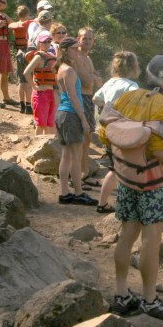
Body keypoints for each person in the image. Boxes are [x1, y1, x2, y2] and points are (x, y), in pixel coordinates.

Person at [100, 55, 163, 319]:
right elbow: (161, 151)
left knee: (126, 233)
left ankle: (121, 294)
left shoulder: (124, 98)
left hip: (125, 178)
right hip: (152, 183)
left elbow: (105, 133)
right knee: (151, 240)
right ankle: (149, 300)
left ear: (146, 73)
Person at [92, 51, 141, 214]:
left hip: (107, 130)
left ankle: (103, 203)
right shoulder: (132, 86)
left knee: (113, 168)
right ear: (134, 67)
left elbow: (95, 98)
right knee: (123, 168)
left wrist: (106, 105)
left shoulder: (110, 82)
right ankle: (124, 206)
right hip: (123, 130)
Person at [54, 37, 98, 207]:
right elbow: (73, 97)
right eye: (74, 48)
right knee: (76, 156)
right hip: (71, 115)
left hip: (62, 114)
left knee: (66, 156)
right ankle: (78, 193)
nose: (77, 51)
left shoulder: (61, 69)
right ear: (65, 50)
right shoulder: (69, 71)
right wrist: (84, 120)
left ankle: (64, 193)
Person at [75, 27, 103, 187]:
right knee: (80, 138)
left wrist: (93, 78)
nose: (87, 41)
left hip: (88, 98)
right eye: (84, 38)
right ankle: (77, 175)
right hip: (80, 98)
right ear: (78, 39)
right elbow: (87, 82)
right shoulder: (77, 57)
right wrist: (93, 78)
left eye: (90, 39)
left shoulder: (88, 58)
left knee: (87, 138)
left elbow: (97, 81)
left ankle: (84, 173)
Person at [23, 32, 57, 136]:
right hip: (41, 94)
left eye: (49, 41)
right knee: (40, 124)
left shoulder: (51, 55)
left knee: (49, 125)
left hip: (51, 93)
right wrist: (35, 87)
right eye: (44, 42)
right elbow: (26, 72)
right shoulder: (39, 57)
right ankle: (36, 149)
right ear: (39, 44)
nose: (47, 44)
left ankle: (47, 149)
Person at [8, 5, 33, 114]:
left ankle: (22, 105)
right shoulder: (29, 24)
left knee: (21, 80)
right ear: (27, 14)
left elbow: (11, 24)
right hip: (27, 52)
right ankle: (28, 105)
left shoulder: (15, 25)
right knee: (28, 80)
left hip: (19, 52)